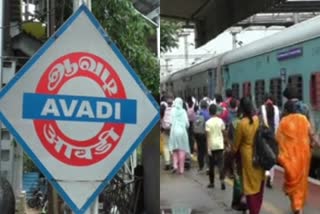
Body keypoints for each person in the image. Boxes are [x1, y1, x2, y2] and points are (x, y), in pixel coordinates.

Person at [276, 100, 312, 214]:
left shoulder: (283, 122)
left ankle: (297, 208)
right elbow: (310, 133)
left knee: (292, 186)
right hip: (304, 158)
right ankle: (298, 206)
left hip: (290, 160)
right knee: (301, 185)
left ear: (286, 110)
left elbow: (277, 138)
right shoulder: (303, 119)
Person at [233, 97, 265, 214]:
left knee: (249, 186)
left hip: (247, 157)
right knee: (259, 184)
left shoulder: (242, 123)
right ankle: (257, 209)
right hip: (260, 155)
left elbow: (236, 145)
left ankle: (253, 211)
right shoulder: (259, 120)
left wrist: (231, 154)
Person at [260, 94, 280, 189]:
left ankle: (265, 174)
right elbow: (278, 124)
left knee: (264, 156)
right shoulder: (276, 109)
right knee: (272, 157)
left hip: (264, 137)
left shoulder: (262, 109)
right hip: (273, 137)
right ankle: (270, 179)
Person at [205, 104, 226, 190]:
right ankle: (222, 181)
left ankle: (212, 182)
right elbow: (224, 132)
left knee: (211, 165)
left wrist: (208, 147)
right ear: (216, 111)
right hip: (220, 145)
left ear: (209, 112)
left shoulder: (208, 122)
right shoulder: (220, 121)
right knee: (221, 164)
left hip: (211, 145)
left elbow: (207, 135)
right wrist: (225, 142)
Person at [168, 97, 190, 175]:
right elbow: (187, 124)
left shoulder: (172, 111)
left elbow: (170, 122)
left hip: (174, 132)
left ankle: (175, 166)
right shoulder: (184, 111)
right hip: (182, 132)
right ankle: (181, 169)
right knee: (182, 150)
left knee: (175, 150)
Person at [193, 100, 211, 172]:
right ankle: (208, 167)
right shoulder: (207, 114)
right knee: (206, 150)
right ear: (206, 106)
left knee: (200, 151)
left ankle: (200, 166)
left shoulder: (197, 113)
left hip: (197, 133)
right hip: (204, 134)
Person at [161, 94, 174, 170]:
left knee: (166, 146)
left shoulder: (163, 108)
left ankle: (167, 162)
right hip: (172, 129)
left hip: (165, 129)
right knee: (172, 145)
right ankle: (173, 162)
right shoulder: (175, 109)